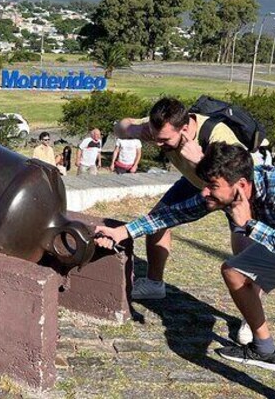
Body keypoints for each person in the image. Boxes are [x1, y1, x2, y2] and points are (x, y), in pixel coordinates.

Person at [95, 142, 275, 399]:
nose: (205, 191)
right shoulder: (230, 190)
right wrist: (125, 231)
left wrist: (251, 226)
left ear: (241, 185)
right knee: (234, 271)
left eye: (212, 186)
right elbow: (177, 212)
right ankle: (265, 350)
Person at [114, 97, 266, 312]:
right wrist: (134, 129)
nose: (158, 145)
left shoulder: (218, 134)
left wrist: (200, 160)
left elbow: (237, 177)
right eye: (156, 138)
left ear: (185, 128)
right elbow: (118, 128)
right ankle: (154, 284)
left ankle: (251, 313)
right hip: (195, 183)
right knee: (156, 220)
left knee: (244, 246)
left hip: (231, 189)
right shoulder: (160, 123)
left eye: (165, 140)